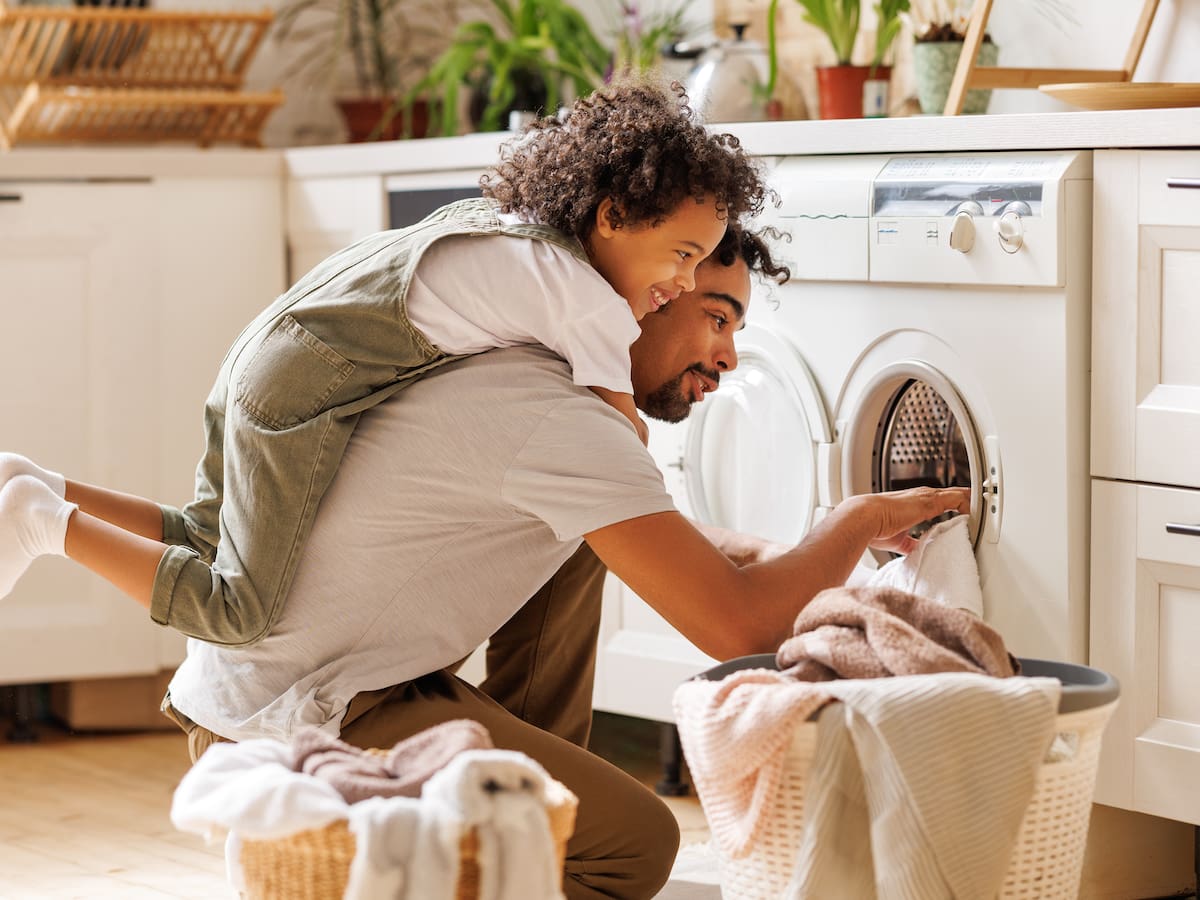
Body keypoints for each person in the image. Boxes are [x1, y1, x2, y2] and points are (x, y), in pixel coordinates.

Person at [161, 227, 957, 898]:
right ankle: (519, 851)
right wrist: (859, 515)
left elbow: (670, 540)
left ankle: (521, 823)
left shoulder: (534, 376)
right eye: (718, 317)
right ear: (652, 294)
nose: (730, 356)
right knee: (635, 846)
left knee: (584, 546)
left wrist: (826, 556)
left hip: (322, 681)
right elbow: (739, 621)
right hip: (303, 718)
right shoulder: (556, 420)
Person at [0, 77, 768, 648]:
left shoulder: (519, 233)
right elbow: (621, 446)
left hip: (264, 356)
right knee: (240, 612)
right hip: (301, 392)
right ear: (613, 216)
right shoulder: (584, 300)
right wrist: (714, 551)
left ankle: (31, 480)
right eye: (682, 255)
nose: (679, 281)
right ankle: (43, 523)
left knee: (205, 534)